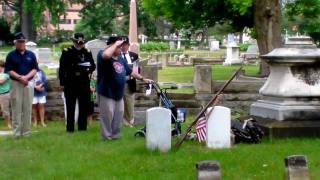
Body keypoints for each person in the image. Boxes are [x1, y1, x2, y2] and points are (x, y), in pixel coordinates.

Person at [97, 36, 152, 140]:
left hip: (118, 94)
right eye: (119, 47)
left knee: (118, 116)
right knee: (107, 116)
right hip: (106, 92)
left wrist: (143, 79)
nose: (121, 49)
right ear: (111, 46)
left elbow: (130, 71)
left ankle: (115, 136)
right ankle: (106, 137)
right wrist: (115, 44)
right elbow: (106, 55)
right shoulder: (102, 54)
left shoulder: (120, 58)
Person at [59, 33, 96, 133]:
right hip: (70, 81)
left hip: (83, 81)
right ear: (74, 42)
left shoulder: (87, 52)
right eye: (77, 42)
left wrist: (87, 70)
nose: (79, 45)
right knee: (70, 106)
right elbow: (62, 69)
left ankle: (82, 127)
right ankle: (70, 128)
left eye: (81, 43)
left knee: (84, 105)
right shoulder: (67, 52)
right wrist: (62, 83)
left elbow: (92, 66)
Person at [5, 32, 38, 138]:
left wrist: (26, 77)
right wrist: (20, 78)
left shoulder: (31, 55)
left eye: (23, 41)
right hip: (16, 84)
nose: (22, 44)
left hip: (28, 83)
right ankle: (16, 133)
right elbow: (9, 70)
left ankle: (26, 132)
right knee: (16, 109)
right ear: (15, 43)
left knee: (27, 108)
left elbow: (34, 69)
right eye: (19, 42)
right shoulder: (11, 55)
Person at [120, 36, 140, 127]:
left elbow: (137, 69)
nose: (124, 47)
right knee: (120, 103)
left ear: (128, 45)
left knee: (129, 102)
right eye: (122, 45)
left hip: (130, 83)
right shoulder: (116, 56)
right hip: (119, 82)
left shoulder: (134, 56)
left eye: (125, 45)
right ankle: (121, 121)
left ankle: (130, 120)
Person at [0, 60, 11, 129]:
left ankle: (8, 124)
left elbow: (1, 82)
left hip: (4, 94)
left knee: (5, 110)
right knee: (3, 110)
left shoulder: (6, 74)